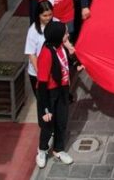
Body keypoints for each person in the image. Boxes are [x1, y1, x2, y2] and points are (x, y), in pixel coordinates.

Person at [34, 21, 75, 169]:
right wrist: (45, 108)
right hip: (49, 93)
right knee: (47, 126)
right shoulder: (46, 53)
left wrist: (75, 62)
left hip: (62, 90)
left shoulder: (61, 46)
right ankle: (42, 150)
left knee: (61, 121)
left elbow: (65, 63)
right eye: (65, 33)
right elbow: (43, 82)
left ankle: (58, 149)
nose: (68, 34)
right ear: (58, 36)